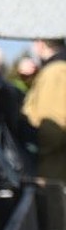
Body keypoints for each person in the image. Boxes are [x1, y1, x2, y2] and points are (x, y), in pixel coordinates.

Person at [23, 38, 66, 182]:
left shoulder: (55, 71)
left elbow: (53, 124)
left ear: (40, 43)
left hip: (53, 171)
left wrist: (35, 150)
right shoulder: (56, 69)